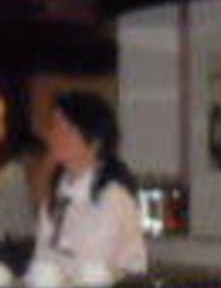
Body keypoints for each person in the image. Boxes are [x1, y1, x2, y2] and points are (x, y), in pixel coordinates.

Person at [34, 91, 147, 278]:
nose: (56, 136)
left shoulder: (113, 197)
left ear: (95, 141)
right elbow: (41, 260)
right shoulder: (57, 194)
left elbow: (92, 267)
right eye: (54, 126)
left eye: (68, 130)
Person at [0, 130, 48, 243]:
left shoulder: (7, 172)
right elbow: (24, 225)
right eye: (38, 159)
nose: (39, 165)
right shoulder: (16, 178)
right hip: (8, 243)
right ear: (28, 156)